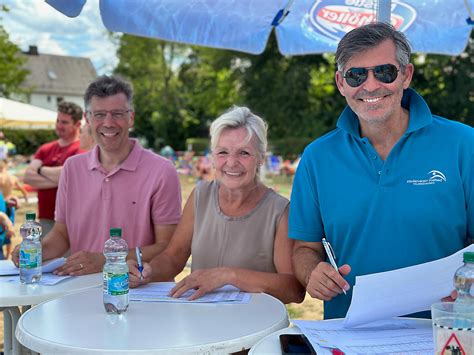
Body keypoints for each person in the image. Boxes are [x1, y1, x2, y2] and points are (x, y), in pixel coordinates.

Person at [289, 23, 473, 319]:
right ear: (341, 83)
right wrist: (313, 273)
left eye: (384, 72)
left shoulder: (464, 144)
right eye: (356, 75)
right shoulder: (316, 157)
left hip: (444, 332)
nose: (371, 85)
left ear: (406, 75)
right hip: (350, 336)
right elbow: (304, 248)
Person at [128, 106, 305, 304]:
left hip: (254, 327)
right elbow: (173, 257)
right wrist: (148, 272)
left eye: (244, 153)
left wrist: (228, 276)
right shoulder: (200, 195)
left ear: (261, 159)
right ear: (212, 158)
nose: (231, 162)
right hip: (199, 323)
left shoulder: (280, 211)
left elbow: (294, 289)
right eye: (223, 152)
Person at [13, 75, 182, 275]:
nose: (108, 123)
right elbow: (62, 234)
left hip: (135, 293)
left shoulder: (161, 171)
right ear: (88, 119)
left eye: (117, 114)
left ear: (131, 118)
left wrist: (107, 260)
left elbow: (169, 248)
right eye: (100, 114)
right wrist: (36, 251)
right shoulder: (72, 168)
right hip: (76, 289)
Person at [24, 101, 84, 235]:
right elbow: (28, 176)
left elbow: (71, 175)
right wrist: (61, 179)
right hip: (45, 218)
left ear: (78, 124)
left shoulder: (82, 147)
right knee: (45, 255)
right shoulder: (46, 148)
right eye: (58, 121)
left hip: (72, 221)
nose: (59, 125)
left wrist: (40, 170)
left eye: (64, 122)